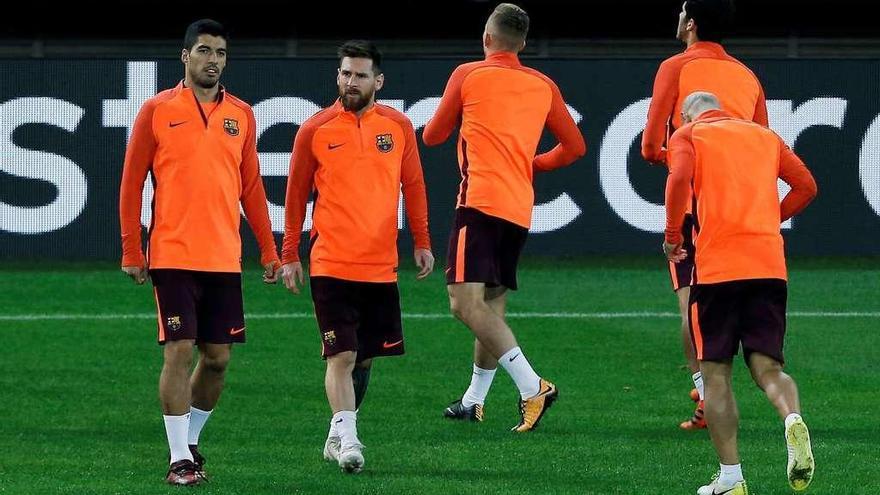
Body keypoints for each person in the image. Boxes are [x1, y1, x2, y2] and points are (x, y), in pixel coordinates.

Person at [118, 19, 280, 486]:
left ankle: (187, 441)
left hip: (223, 257)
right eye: (205, 50)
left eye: (221, 52)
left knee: (217, 360)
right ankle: (177, 460)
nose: (213, 59)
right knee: (179, 350)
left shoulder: (242, 115)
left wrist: (268, 250)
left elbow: (251, 188)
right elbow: (132, 184)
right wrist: (133, 247)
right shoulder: (156, 110)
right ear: (185, 57)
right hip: (172, 253)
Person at [423, 3, 585, 432]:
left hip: (478, 203)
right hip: (518, 209)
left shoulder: (468, 74)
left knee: (463, 303)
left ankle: (534, 387)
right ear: (524, 43)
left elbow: (432, 135)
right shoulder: (543, 84)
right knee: (491, 304)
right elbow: (575, 148)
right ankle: (474, 400)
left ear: (487, 38)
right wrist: (534, 163)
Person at [280, 40, 433, 473]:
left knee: (364, 358)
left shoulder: (399, 126)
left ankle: (337, 432)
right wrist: (290, 251)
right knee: (341, 356)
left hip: (380, 264)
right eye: (346, 73)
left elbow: (414, 186)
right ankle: (349, 439)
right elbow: (295, 196)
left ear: (378, 81)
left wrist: (422, 241)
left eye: (360, 75)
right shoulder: (315, 128)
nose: (351, 81)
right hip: (330, 261)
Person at [664, 92, 817, 494]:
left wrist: (672, 236)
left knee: (715, 377)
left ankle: (731, 477)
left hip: (717, 269)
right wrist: (770, 218)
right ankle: (791, 419)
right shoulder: (764, 135)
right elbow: (806, 185)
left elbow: (678, 178)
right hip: (768, 266)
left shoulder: (689, 134)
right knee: (769, 369)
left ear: (685, 113)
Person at [641, 0, 769, 430]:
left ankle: (707, 396)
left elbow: (648, 146)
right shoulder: (748, 75)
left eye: (680, 12)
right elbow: (763, 145)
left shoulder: (675, 67)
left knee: (691, 304)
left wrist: (677, 160)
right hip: (743, 209)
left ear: (691, 23)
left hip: (697, 205)